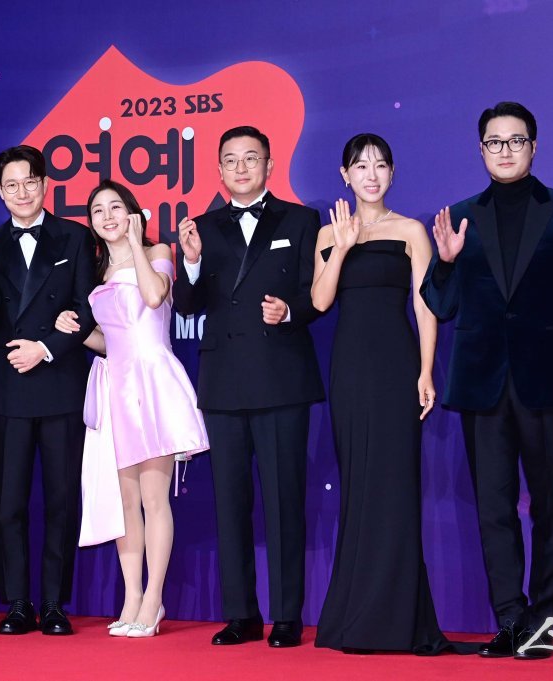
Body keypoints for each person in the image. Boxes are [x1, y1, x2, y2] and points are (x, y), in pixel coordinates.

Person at [421, 102, 553, 659]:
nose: (505, 150)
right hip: (482, 384)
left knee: (552, 506)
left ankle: (543, 618)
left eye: (515, 140)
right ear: (480, 149)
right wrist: (447, 262)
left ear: (534, 146)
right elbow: (440, 305)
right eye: (494, 142)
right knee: (494, 507)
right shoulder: (460, 216)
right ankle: (509, 617)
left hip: (549, 378)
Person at [174, 125, 325, 648]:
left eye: (251, 158)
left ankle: (286, 615)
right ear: (218, 169)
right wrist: (190, 262)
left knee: (285, 501)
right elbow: (186, 306)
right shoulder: (201, 228)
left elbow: (316, 294)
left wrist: (291, 311)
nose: (241, 168)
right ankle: (240, 613)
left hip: (281, 378)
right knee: (230, 503)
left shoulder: (301, 220)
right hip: (224, 382)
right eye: (231, 160)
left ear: (269, 164)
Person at [310, 134, 447, 653]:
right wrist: (344, 247)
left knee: (395, 484)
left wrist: (426, 371)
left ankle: (395, 618)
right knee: (359, 484)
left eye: (381, 165)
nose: (371, 175)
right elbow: (320, 301)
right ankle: (356, 612)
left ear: (392, 173)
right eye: (361, 166)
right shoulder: (329, 233)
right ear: (344, 175)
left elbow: (425, 305)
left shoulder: (411, 231)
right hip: (349, 370)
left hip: (396, 368)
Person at [53, 180, 209, 638]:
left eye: (115, 207)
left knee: (154, 499)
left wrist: (136, 244)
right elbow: (109, 341)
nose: (107, 216)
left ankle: (154, 599)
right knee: (125, 504)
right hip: (115, 387)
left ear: (132, 212)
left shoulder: (157, 251)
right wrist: (75, 331)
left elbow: (155, 296)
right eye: (98, 210)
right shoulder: (97, 271)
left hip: (152, 383)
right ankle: (132, 597)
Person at [0, 145, 96, 636]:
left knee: (61, 499)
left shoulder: (74, 237)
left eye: (30, 182)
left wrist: (44, 348)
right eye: (11, 185)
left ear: (45, 184)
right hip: (6, 389)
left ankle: (55, 603)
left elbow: (87, 308)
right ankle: (18, 602)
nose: (22, 192)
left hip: (58, 384)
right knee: (9, 503)